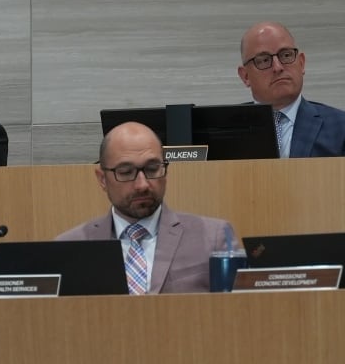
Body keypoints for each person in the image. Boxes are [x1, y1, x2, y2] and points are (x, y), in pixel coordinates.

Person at [56, 121, 241, 294]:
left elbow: (236, 314)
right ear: (102, 179)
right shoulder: (68, 248)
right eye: (126, 172)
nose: (142, 185)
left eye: (152, 169)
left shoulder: (214, 237)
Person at [237, 21, 345, 158]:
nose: (278, 67)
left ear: (301, 63)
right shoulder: (222, 127)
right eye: (264, 60)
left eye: (286, 55)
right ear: (245, 76)